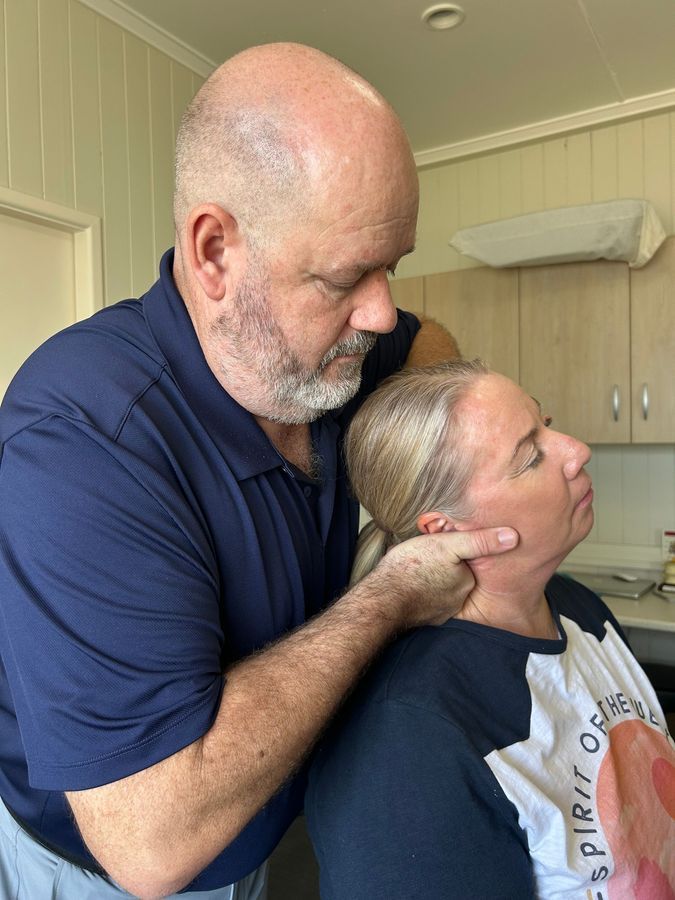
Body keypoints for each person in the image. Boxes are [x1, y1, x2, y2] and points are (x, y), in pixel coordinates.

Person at [0, 44, 519, 899]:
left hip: (252, 839)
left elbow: (424, 342)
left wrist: (429, 471)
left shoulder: (324, 354)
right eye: (345, 276)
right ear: (214, 253)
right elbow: (151, 844)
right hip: (97, 874)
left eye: (391, 266)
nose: (380, 311)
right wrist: (389, 594)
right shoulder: (84, 437)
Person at [306, 360, 675, 900]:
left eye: (547, 424)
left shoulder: (581, 610)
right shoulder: (410, 741)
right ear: (444, 528)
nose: (577, 450)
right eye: (530, 457)